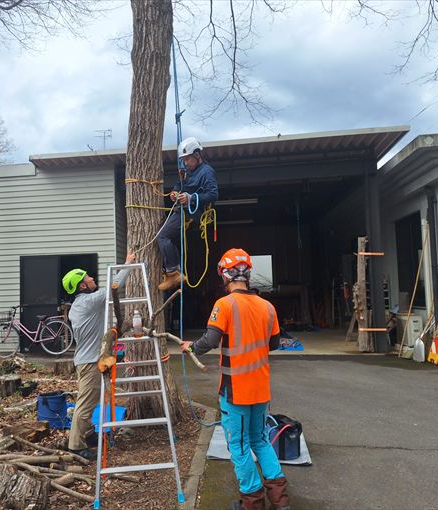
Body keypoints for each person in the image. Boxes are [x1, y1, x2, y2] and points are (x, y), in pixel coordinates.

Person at [181, 248, 290, 510]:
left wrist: (191, 347)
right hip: (261, 389)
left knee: (239, 446)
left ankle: (252, 502)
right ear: (247, 274)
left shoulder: (225, 304)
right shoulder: (268, 307)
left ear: (225, 275)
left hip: (235, 391)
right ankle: (281, 501)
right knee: (260, 440)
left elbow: (210, 340)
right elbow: (274, 343)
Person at [61, 251, 136, 460]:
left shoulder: (80, 304)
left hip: (86, 360)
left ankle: (87, 434)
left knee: (91, 400)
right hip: (89, 362)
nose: (92, 278)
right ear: (82, 286)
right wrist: (128, 263)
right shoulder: (87, 302)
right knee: (85, 405)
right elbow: (114, 286)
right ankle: (76, 447)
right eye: (88, 278)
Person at [157, 137, 218, 291]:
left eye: (187, 159)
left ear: (197, 155)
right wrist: (175, 191)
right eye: (183, 160)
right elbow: (182, 184)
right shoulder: (190, 172)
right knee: (166, 236)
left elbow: (213, 195)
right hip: (183, 210)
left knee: (163, 236)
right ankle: (174, 271)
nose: (185, 163)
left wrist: (191, 198)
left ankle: (173, 273)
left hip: (192, 212)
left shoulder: (206, 172)